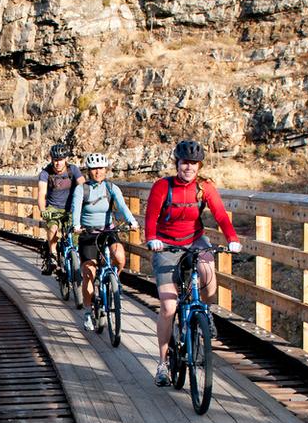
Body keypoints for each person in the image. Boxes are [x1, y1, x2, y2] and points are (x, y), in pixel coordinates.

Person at [143, 140, 240, 385]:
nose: (189, 167)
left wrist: (232, 238)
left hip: (195, 240)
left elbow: (219, 214)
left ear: (199, 166)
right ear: (177, 163)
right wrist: (152, 239)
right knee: (168, 307)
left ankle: (205, 313)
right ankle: (163, 363)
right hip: (166, 245)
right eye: (185, 162)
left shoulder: (204, 187)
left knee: (208, 277)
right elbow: (151, 217)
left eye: (193, 163)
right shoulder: (162, 187)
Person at [69, 152, 137, 328]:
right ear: (89, 171)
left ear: (105, 169)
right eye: (93, 169)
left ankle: (114, 281)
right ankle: (87, 311)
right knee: (89, 273)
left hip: (108, 231)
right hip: (88, 233)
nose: (97, 172)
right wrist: (76, 225)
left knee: (120, 257)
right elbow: (76, 209)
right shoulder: (81, 189)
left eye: (100, 168)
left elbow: (122, 206)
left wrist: (132, 221)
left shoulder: (111, 188)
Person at [34, 143, 83, 274]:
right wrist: (43, 211)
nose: (58, 163)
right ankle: (53, 255)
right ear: (51, 159)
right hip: (53, 208)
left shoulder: (73, 170)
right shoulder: (45, 173)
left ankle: (75, 259)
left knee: (75, 235)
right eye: (55, 160)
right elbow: (41, 194)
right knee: (53, 228)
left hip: (71, 209)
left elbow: (83, 186)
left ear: (65, 159)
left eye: (60, 160)